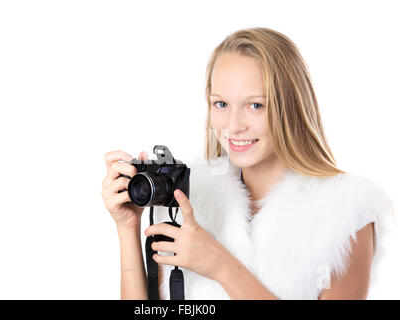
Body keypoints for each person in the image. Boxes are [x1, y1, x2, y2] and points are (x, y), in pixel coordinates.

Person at [101, 27, 394, 299]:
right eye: (221, 104)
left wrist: (221, 266)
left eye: (255, 105)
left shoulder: (345, 213)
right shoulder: (190, 197)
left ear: (289, 107)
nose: (233, 125)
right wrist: (128, 228)